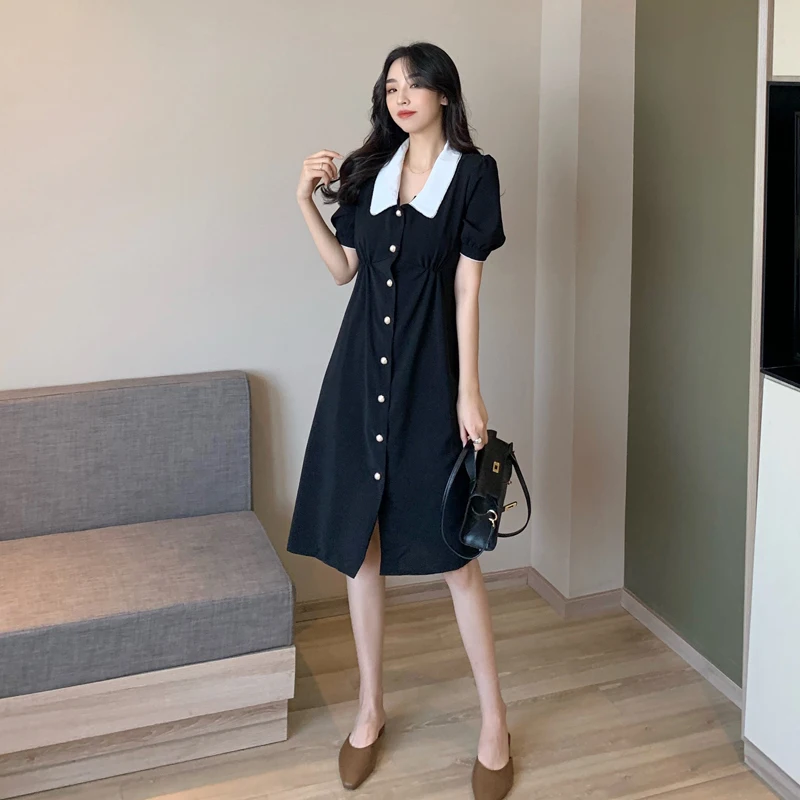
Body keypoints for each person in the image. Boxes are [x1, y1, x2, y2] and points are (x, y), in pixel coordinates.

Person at [287, 41, 512, 799]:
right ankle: (370, 709)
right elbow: (343, 270)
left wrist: (469, 392)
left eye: (416, 83)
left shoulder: (472, 176)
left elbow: (467, 290)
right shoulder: (372, 174)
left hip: (428, 379)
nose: (402, 95)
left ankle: (494, 724)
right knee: (363, 550)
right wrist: (304, 202)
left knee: (457, 557)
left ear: (445, 93)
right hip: (359, 380)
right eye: (391, 86)